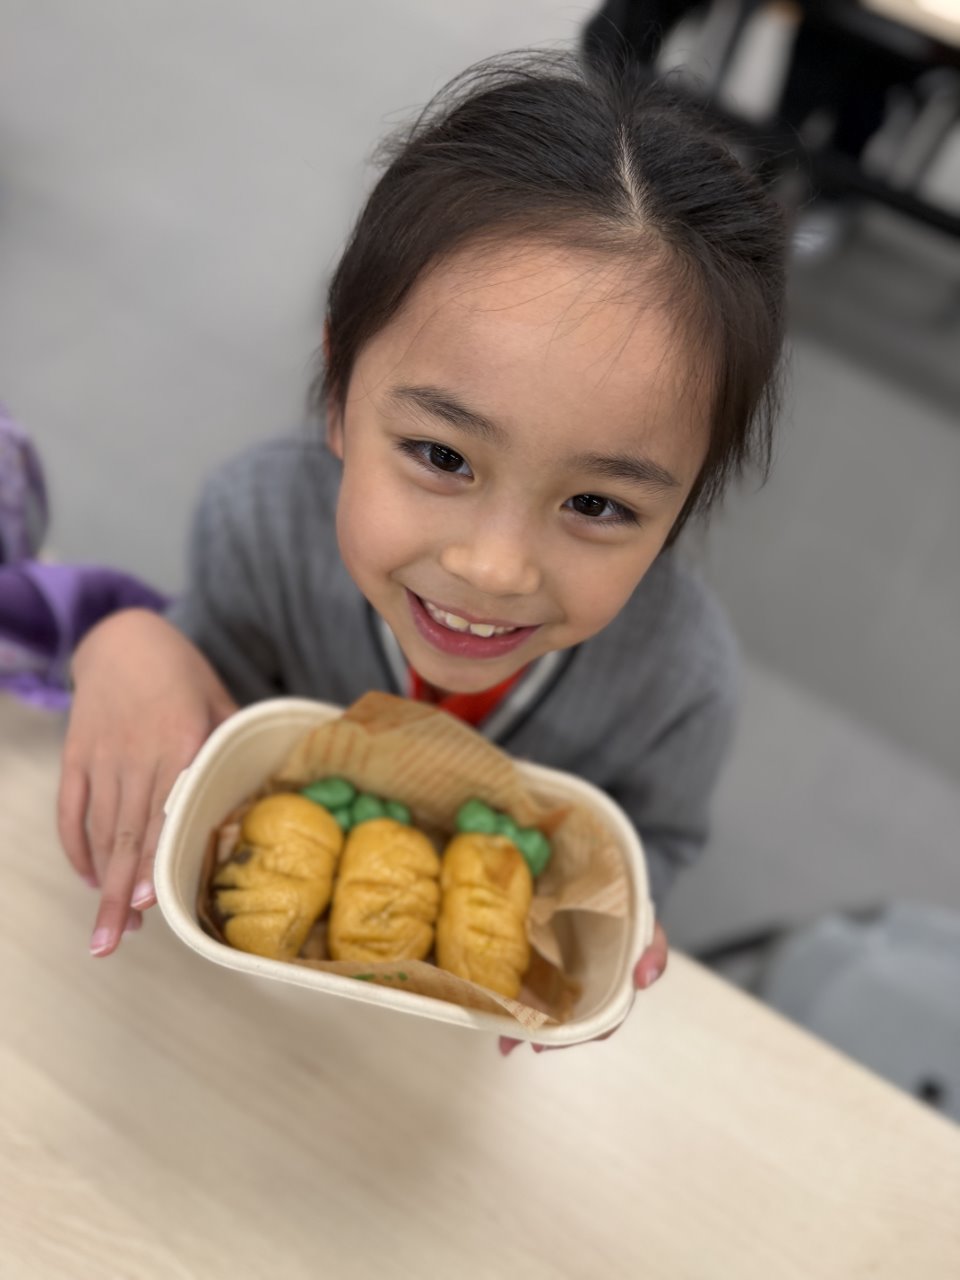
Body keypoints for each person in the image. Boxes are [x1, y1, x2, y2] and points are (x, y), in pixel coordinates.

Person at [56, 53, 787, 1050]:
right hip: (237, 1031)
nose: (494, 568)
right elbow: (205, 724)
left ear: (685, 504)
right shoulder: (259, 526)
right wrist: (128, 642)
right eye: (443, 456)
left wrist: (612, 915)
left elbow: (651, 844)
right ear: (339, 392)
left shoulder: (677, 682)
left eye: (597, 504)